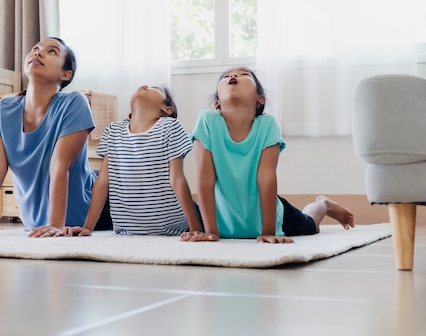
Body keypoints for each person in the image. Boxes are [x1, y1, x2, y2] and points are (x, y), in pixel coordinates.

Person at [0, 37, 110, 238]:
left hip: (96, 209)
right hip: (35, 222)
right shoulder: (7, 109)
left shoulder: (74, 103)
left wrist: (55, 224)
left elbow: (59, 167)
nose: (38, 52)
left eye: (52, 51)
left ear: (65, 74)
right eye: (36, 48)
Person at [181, 67, 354, 244]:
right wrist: (211, 233)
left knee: (311, 225)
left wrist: (269, 231)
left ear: (259, 99)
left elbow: (266, 176)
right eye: (226, 77)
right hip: (223, 218)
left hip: (270, 215)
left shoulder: (267, 124)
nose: (233, 76)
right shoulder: (207, 121)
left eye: (244, 75)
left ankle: (323, 204)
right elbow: (205, 178)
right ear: (217, 103)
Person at [65, 85, 203, 236]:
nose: (144, 86)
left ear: (167, 109)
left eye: (154, 88)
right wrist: (87, 227)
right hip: (128, 230)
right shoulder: (114, 131)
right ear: (130, 115)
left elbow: (177, 178)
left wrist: (195, 227)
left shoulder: (169, 127)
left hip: (174, 225)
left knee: (210, 218)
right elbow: (103, 181)